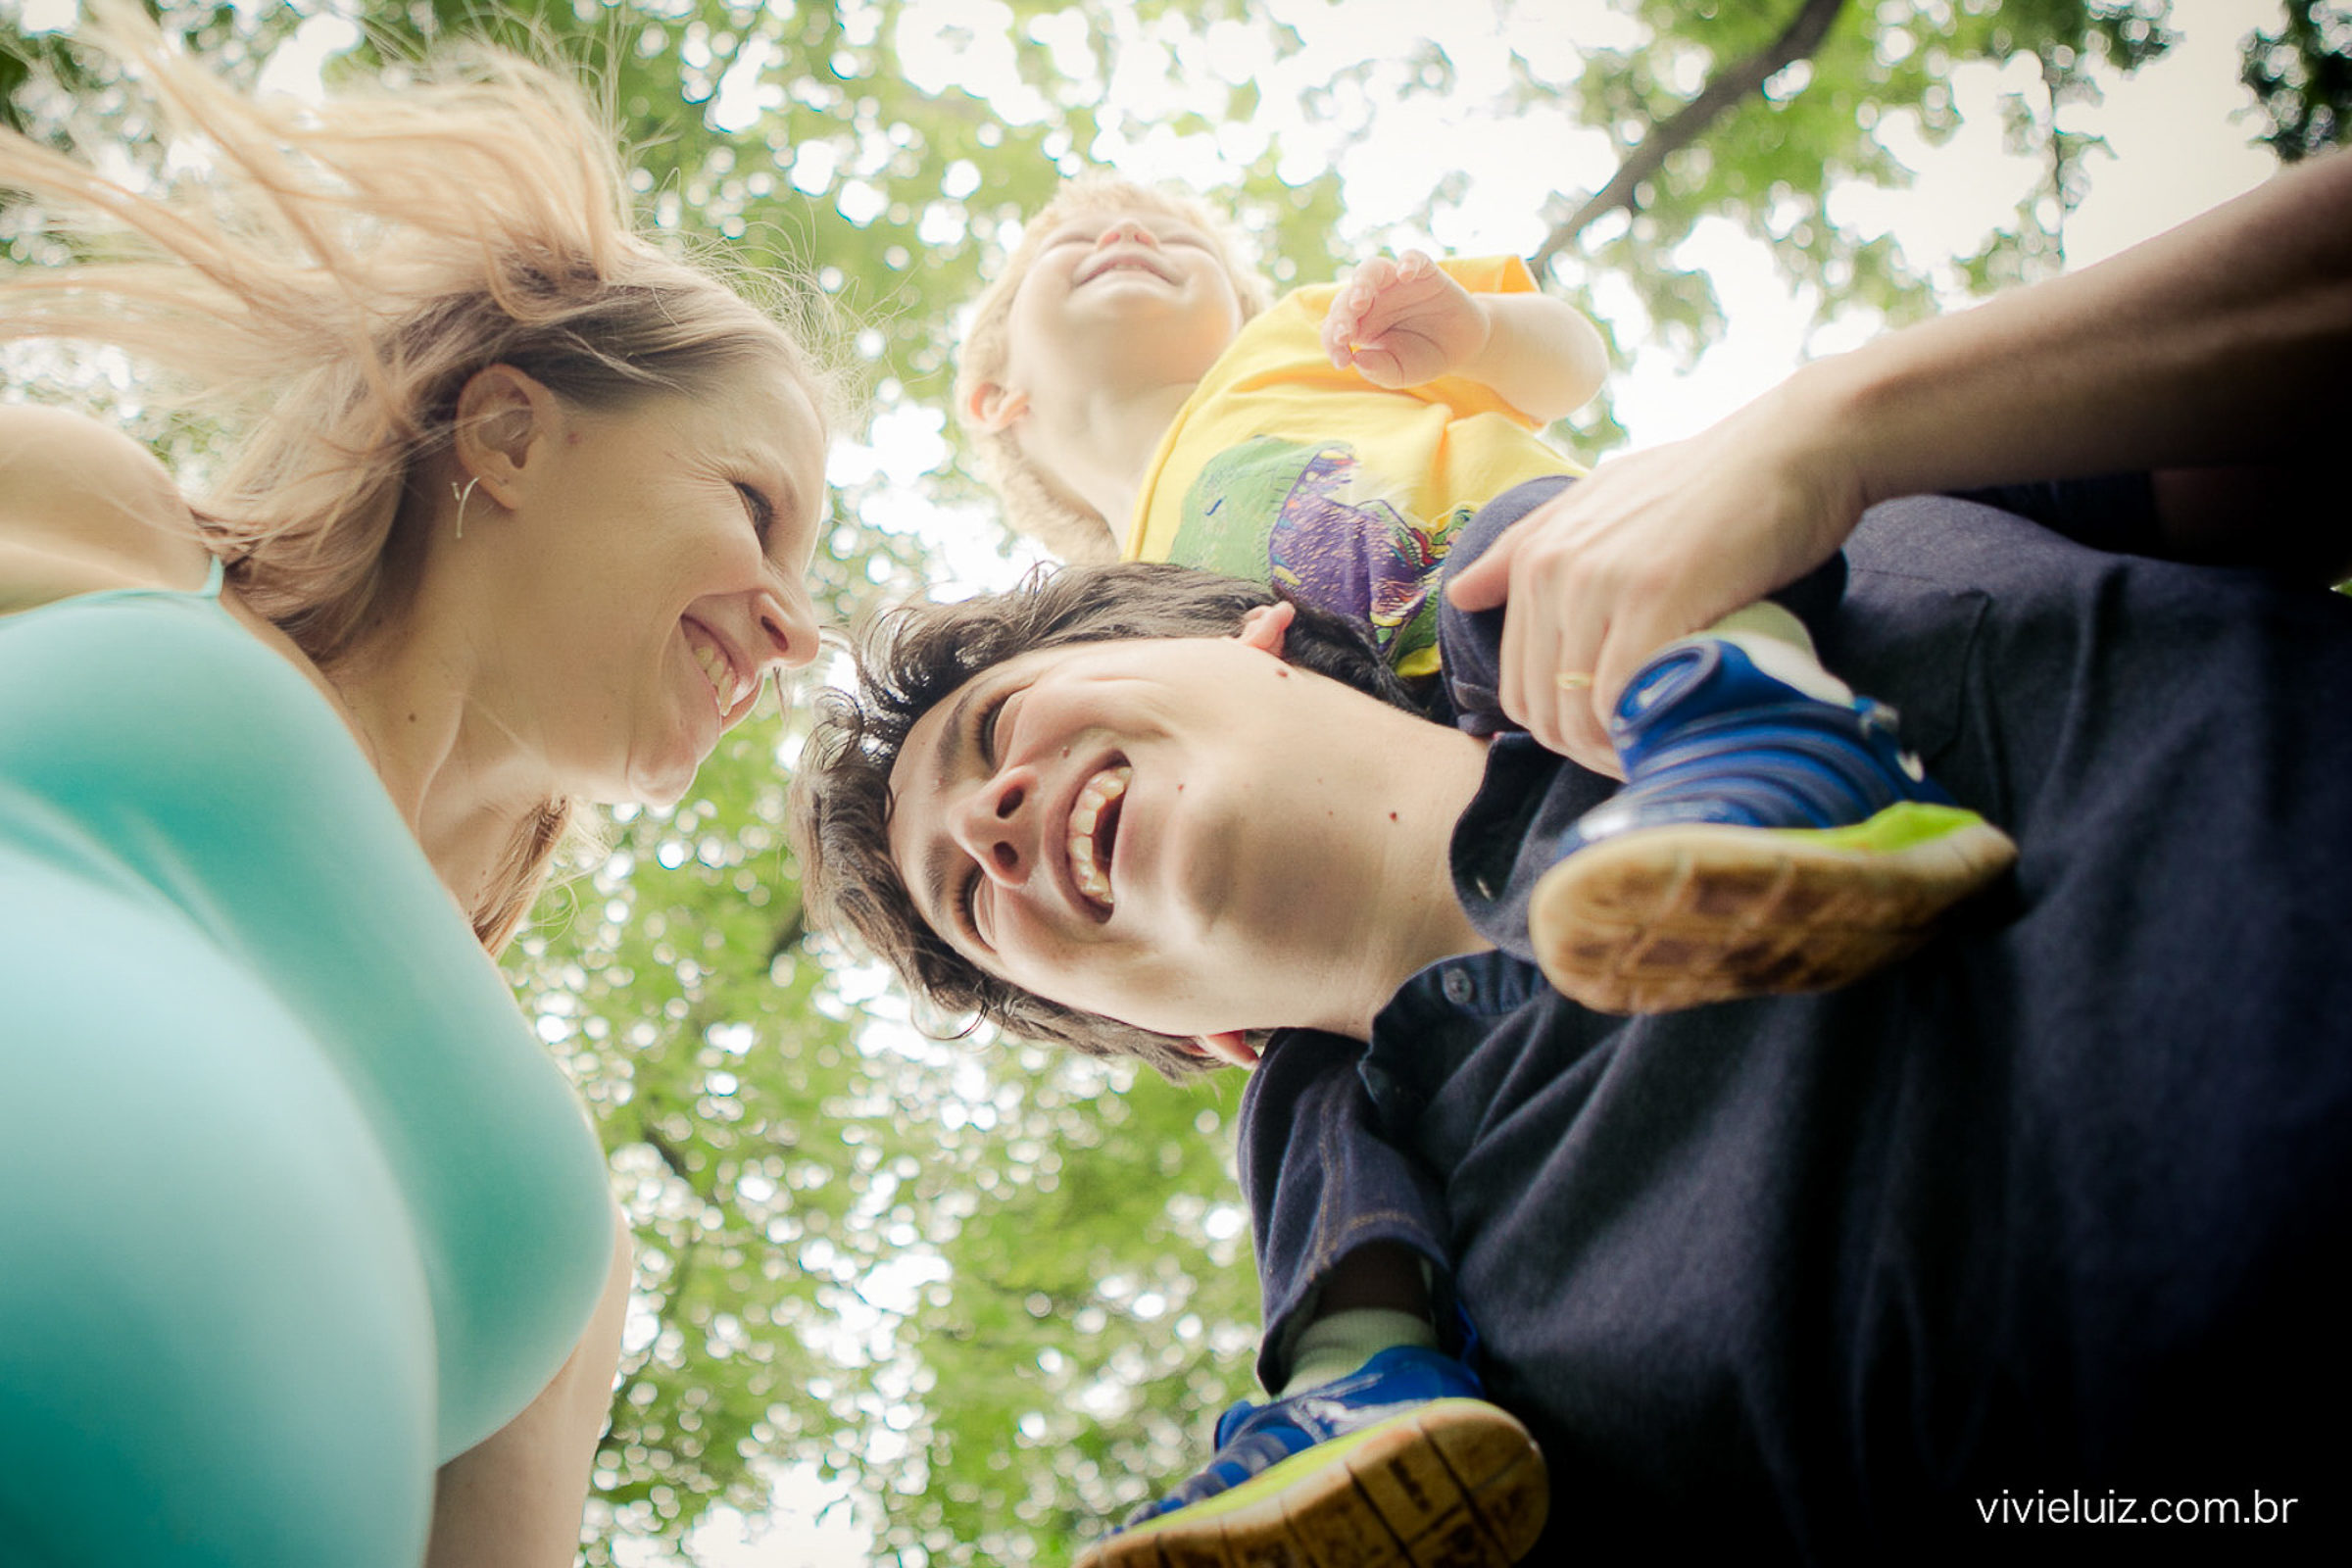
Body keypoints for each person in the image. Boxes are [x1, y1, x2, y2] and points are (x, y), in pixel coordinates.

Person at [794, 147, 2352, 1564]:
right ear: (1185, 1037)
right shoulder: (1473, 1428)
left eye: (998, 732)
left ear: (1254, 628)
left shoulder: (1813, 543)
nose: (995, 821)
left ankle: (1779, 775)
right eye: (964, 894)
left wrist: (1843, 427)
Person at [0, 11, 836, 1565]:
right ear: (511, 432)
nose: (793, 627)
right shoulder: (115, 537)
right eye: (753, 506)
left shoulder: (557, 1221)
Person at [953, 175, 2016, 1017]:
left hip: (1574, 577)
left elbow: (1567, 366)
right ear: (997, 395)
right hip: (1475, 755)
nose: (1126, 236)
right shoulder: (1114, 629)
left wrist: (1475, 335)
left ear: (1235, 306)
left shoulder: (1300, 341)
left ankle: (1794, 756)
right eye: (1072, 245)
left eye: (1173, 236)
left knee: (1537, 578)